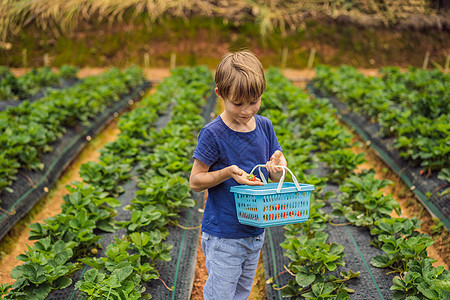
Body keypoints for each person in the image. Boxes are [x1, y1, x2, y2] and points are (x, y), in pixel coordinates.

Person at [189, 50, 287, 300]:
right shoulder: (213, 134)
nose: (246, 111)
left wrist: (277, 167)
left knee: (242, 293)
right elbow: (195, 181)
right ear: (220, 94)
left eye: (254, 101)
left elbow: (276, 169)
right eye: (238, 103)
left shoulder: (264, 126)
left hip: (255, 231)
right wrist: (227, 173)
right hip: (224, 234)